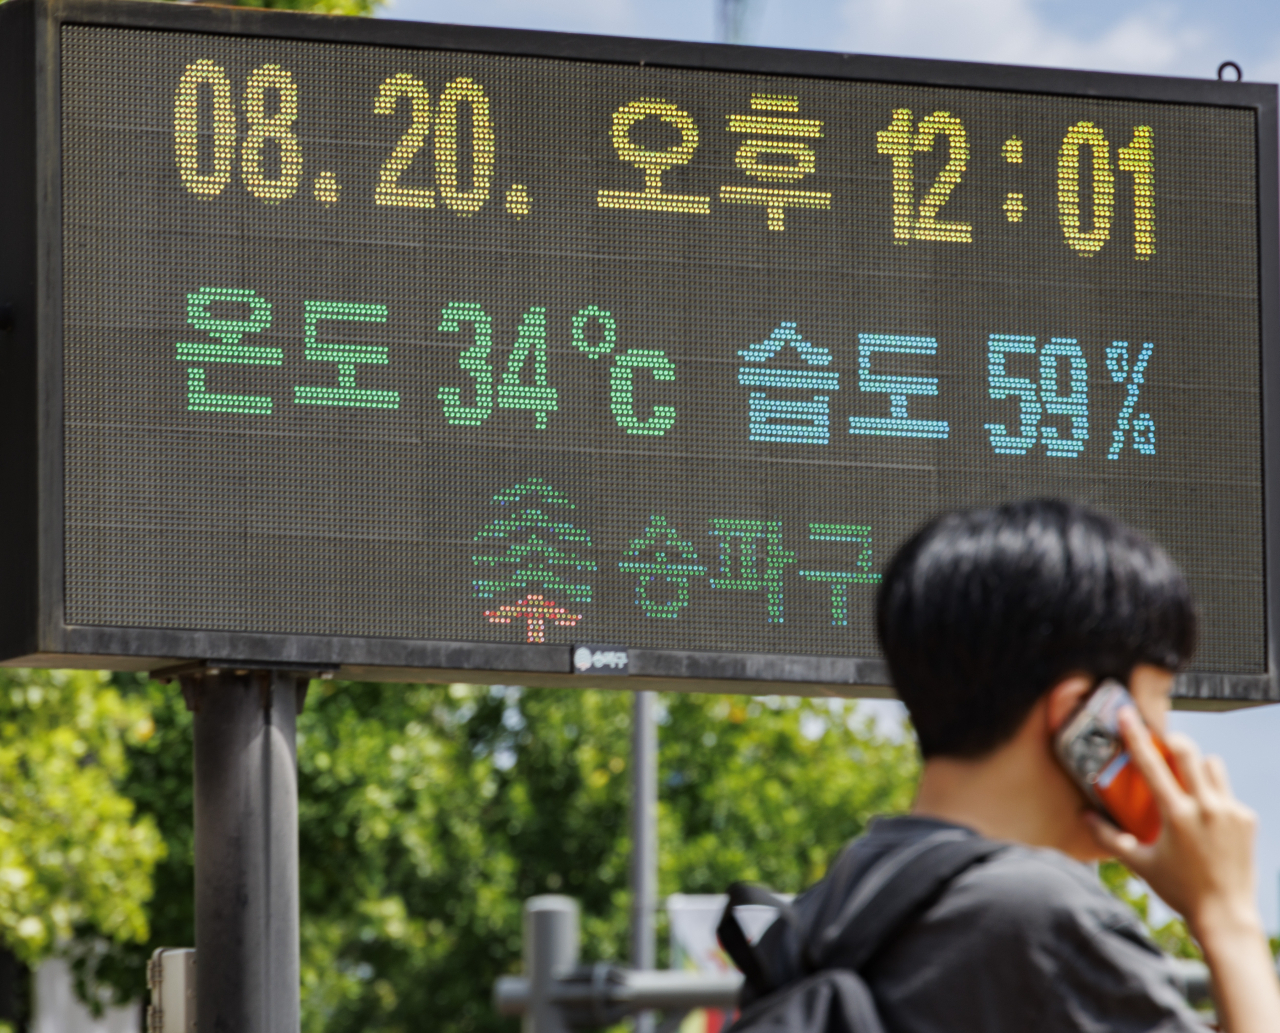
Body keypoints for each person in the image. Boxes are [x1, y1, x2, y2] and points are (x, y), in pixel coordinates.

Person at [799, 499, 1280, 1032]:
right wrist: (1228, 917)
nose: (1167, 739)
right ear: (1081, 715)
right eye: (1161, 697)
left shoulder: (839, 898)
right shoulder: (1043, 922)